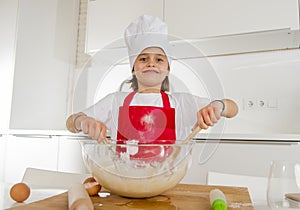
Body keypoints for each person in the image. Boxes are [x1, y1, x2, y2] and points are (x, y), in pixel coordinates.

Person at [66, 15, 238, 143]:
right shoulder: (114, 101)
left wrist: (218, 106)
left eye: (159, 59)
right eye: (143, 59)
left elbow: (233, 108)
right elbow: (70, 123)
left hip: (167, 179)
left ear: (168, 68)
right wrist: (83, 121)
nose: (151, 63)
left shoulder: (181, 102)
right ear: (133, 68)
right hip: (124, 180)